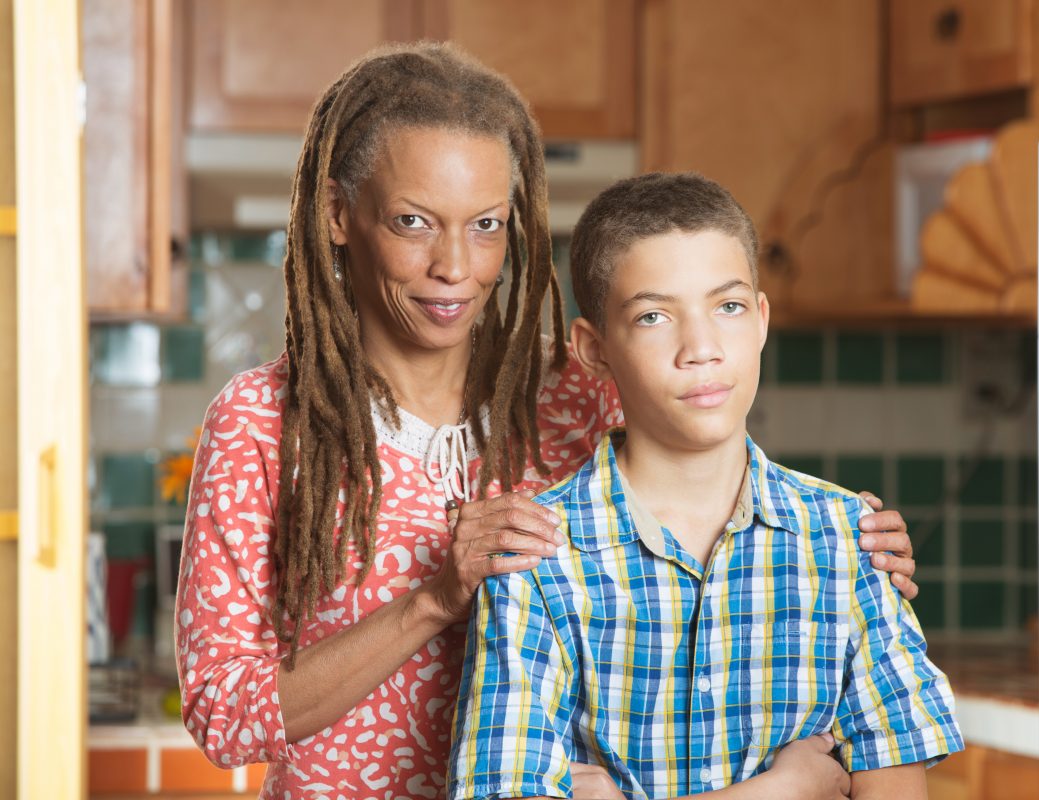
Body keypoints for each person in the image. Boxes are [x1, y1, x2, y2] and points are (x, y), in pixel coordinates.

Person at [175, 43, 921, 799]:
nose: (456, 266)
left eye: (488, 225)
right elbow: (223, 716)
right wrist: (432, 601)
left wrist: (842, 542)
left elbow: (708, 527)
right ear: (339, 215)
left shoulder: (574, 392)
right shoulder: (262, 424)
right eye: (412, 222)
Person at [447, 173, 963, 800]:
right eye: (654, 316)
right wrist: (782, 791)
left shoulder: (850, 542)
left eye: (729, 307)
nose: (702, 348)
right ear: (594, 348)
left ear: (763, 318)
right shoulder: (535, 558)